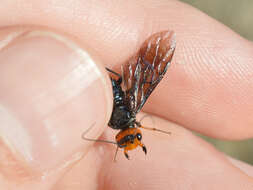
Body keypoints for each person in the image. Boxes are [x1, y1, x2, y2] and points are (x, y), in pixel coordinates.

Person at [0, 0, 253, 189]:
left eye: (129, 140)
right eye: (135, 137)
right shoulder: (120, 114)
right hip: (83, 68)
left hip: (91, 70)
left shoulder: (123, 113)